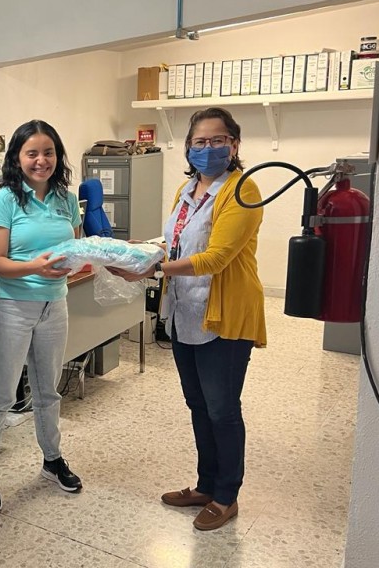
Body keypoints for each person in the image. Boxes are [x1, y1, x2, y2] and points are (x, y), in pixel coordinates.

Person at [107, 107, 266, 531]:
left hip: (223, 317)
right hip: (184, 313)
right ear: (189, 147)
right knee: (198, 405)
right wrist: (144, 250)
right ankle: (206, 485)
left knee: (222, 409)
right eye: (199, 142)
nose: (207, 148)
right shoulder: (188, 189)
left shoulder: (242, 190)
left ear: (234, 144)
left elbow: (216, 258)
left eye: (217, 141)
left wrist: (153, 269)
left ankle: (226, 495)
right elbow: (177, 242)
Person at [0, 119, 83, 515]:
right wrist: (37, 267)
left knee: (48, 390)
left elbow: (76, 247)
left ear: (58, 156)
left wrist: (89, 259)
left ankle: (52, 460)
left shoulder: (66, 199)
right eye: (32, 153)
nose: (41, 160)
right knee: (1, 394)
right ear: (17, 158)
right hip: (12, 306)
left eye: (48, 152)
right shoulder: (5, 199)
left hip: (55, 305)